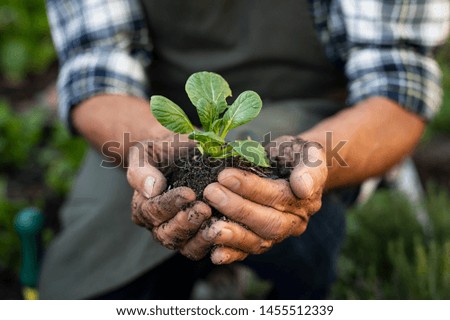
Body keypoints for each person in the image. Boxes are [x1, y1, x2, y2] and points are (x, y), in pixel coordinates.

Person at [40, 0, 449, 299]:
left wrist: (315, 159)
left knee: (302, 242)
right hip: (150, 123)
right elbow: (95, 69)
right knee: (95, 276)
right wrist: (154, 149)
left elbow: (395, 85)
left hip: (318, 118)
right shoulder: (157, 137)